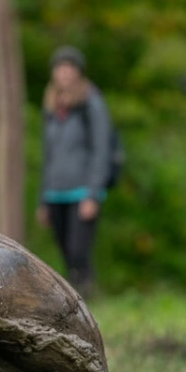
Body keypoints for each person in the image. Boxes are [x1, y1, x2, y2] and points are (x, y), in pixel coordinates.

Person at [36, 45, 113, 297]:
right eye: (60, 67)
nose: (65, 73)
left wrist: (92, 193)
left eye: (70, 67)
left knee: (79, 251)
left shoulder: (91, 103)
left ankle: (87, 298)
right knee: (66, 254)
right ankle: (74, 301)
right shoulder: (51, 108)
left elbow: (101, 149)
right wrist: (42, 200)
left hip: (81, 191)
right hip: (55, 192)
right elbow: (47, 155)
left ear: (78, 72)